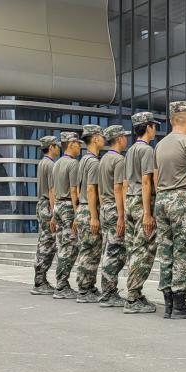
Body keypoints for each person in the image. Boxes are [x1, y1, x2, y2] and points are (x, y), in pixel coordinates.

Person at [154, 100, 186, 320]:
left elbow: (155, 177)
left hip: (161, 199)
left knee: (166, 251)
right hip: (181, 199)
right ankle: (179, 305)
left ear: (171, 119)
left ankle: (168, 304)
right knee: (184, 251)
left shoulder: (159, 145)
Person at [123, 111, 160, 314]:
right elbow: (146, 181)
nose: (155, 129)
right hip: (141, 202)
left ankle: (134, 293)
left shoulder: (130, 150)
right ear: (148, 127)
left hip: (130, 199)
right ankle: (133, 297)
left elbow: (125, 182)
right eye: (154, 126)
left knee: (134, 248)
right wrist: (147, 213)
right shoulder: (146, 150)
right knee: (143, 249)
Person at [97, 124, 131, 307]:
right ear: (119, 139)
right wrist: (121, 215)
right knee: (115, 251)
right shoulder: (119, 160)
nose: (126, 139)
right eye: (125, 136)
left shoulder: (103, 159)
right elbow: (119, 188)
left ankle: (107, 291)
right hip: (114, 209)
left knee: (109, 250)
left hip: (105, 207)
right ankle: (108, 294)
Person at [74, 125, 105, 302]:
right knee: (90, 252)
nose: (104, 139)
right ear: (94, 138)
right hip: (89, 209)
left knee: (87, 250)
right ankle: (85, 290)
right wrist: (94, 216)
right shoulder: (93, 162)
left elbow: (78, 188)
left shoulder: (83, 160)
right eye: (101, 136)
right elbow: (91, 189)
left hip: (83, 208)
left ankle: (88, 287)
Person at [51, 130, 82, 299]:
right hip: (69, 206)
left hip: (58, 205)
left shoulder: (56, 164)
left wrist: (53, 213)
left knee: (62, 246)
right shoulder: (73, 163)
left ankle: (60, 283)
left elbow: (53, 190)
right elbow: (74, 190)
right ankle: (62, 285)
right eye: (78, 144)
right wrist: (77, 214)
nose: (79, 147)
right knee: (71, 247)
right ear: (71, 144)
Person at [30, 135, 61, 295]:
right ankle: (40, 282)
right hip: (48, 206)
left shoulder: (42, 163)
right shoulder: (50, 165)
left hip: (41, 205)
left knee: (44, 241)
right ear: (51, 147)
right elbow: (52, 190)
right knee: (48, 243)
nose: (59, 148)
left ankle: (39, 280)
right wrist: (55, 212)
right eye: (56, 145)